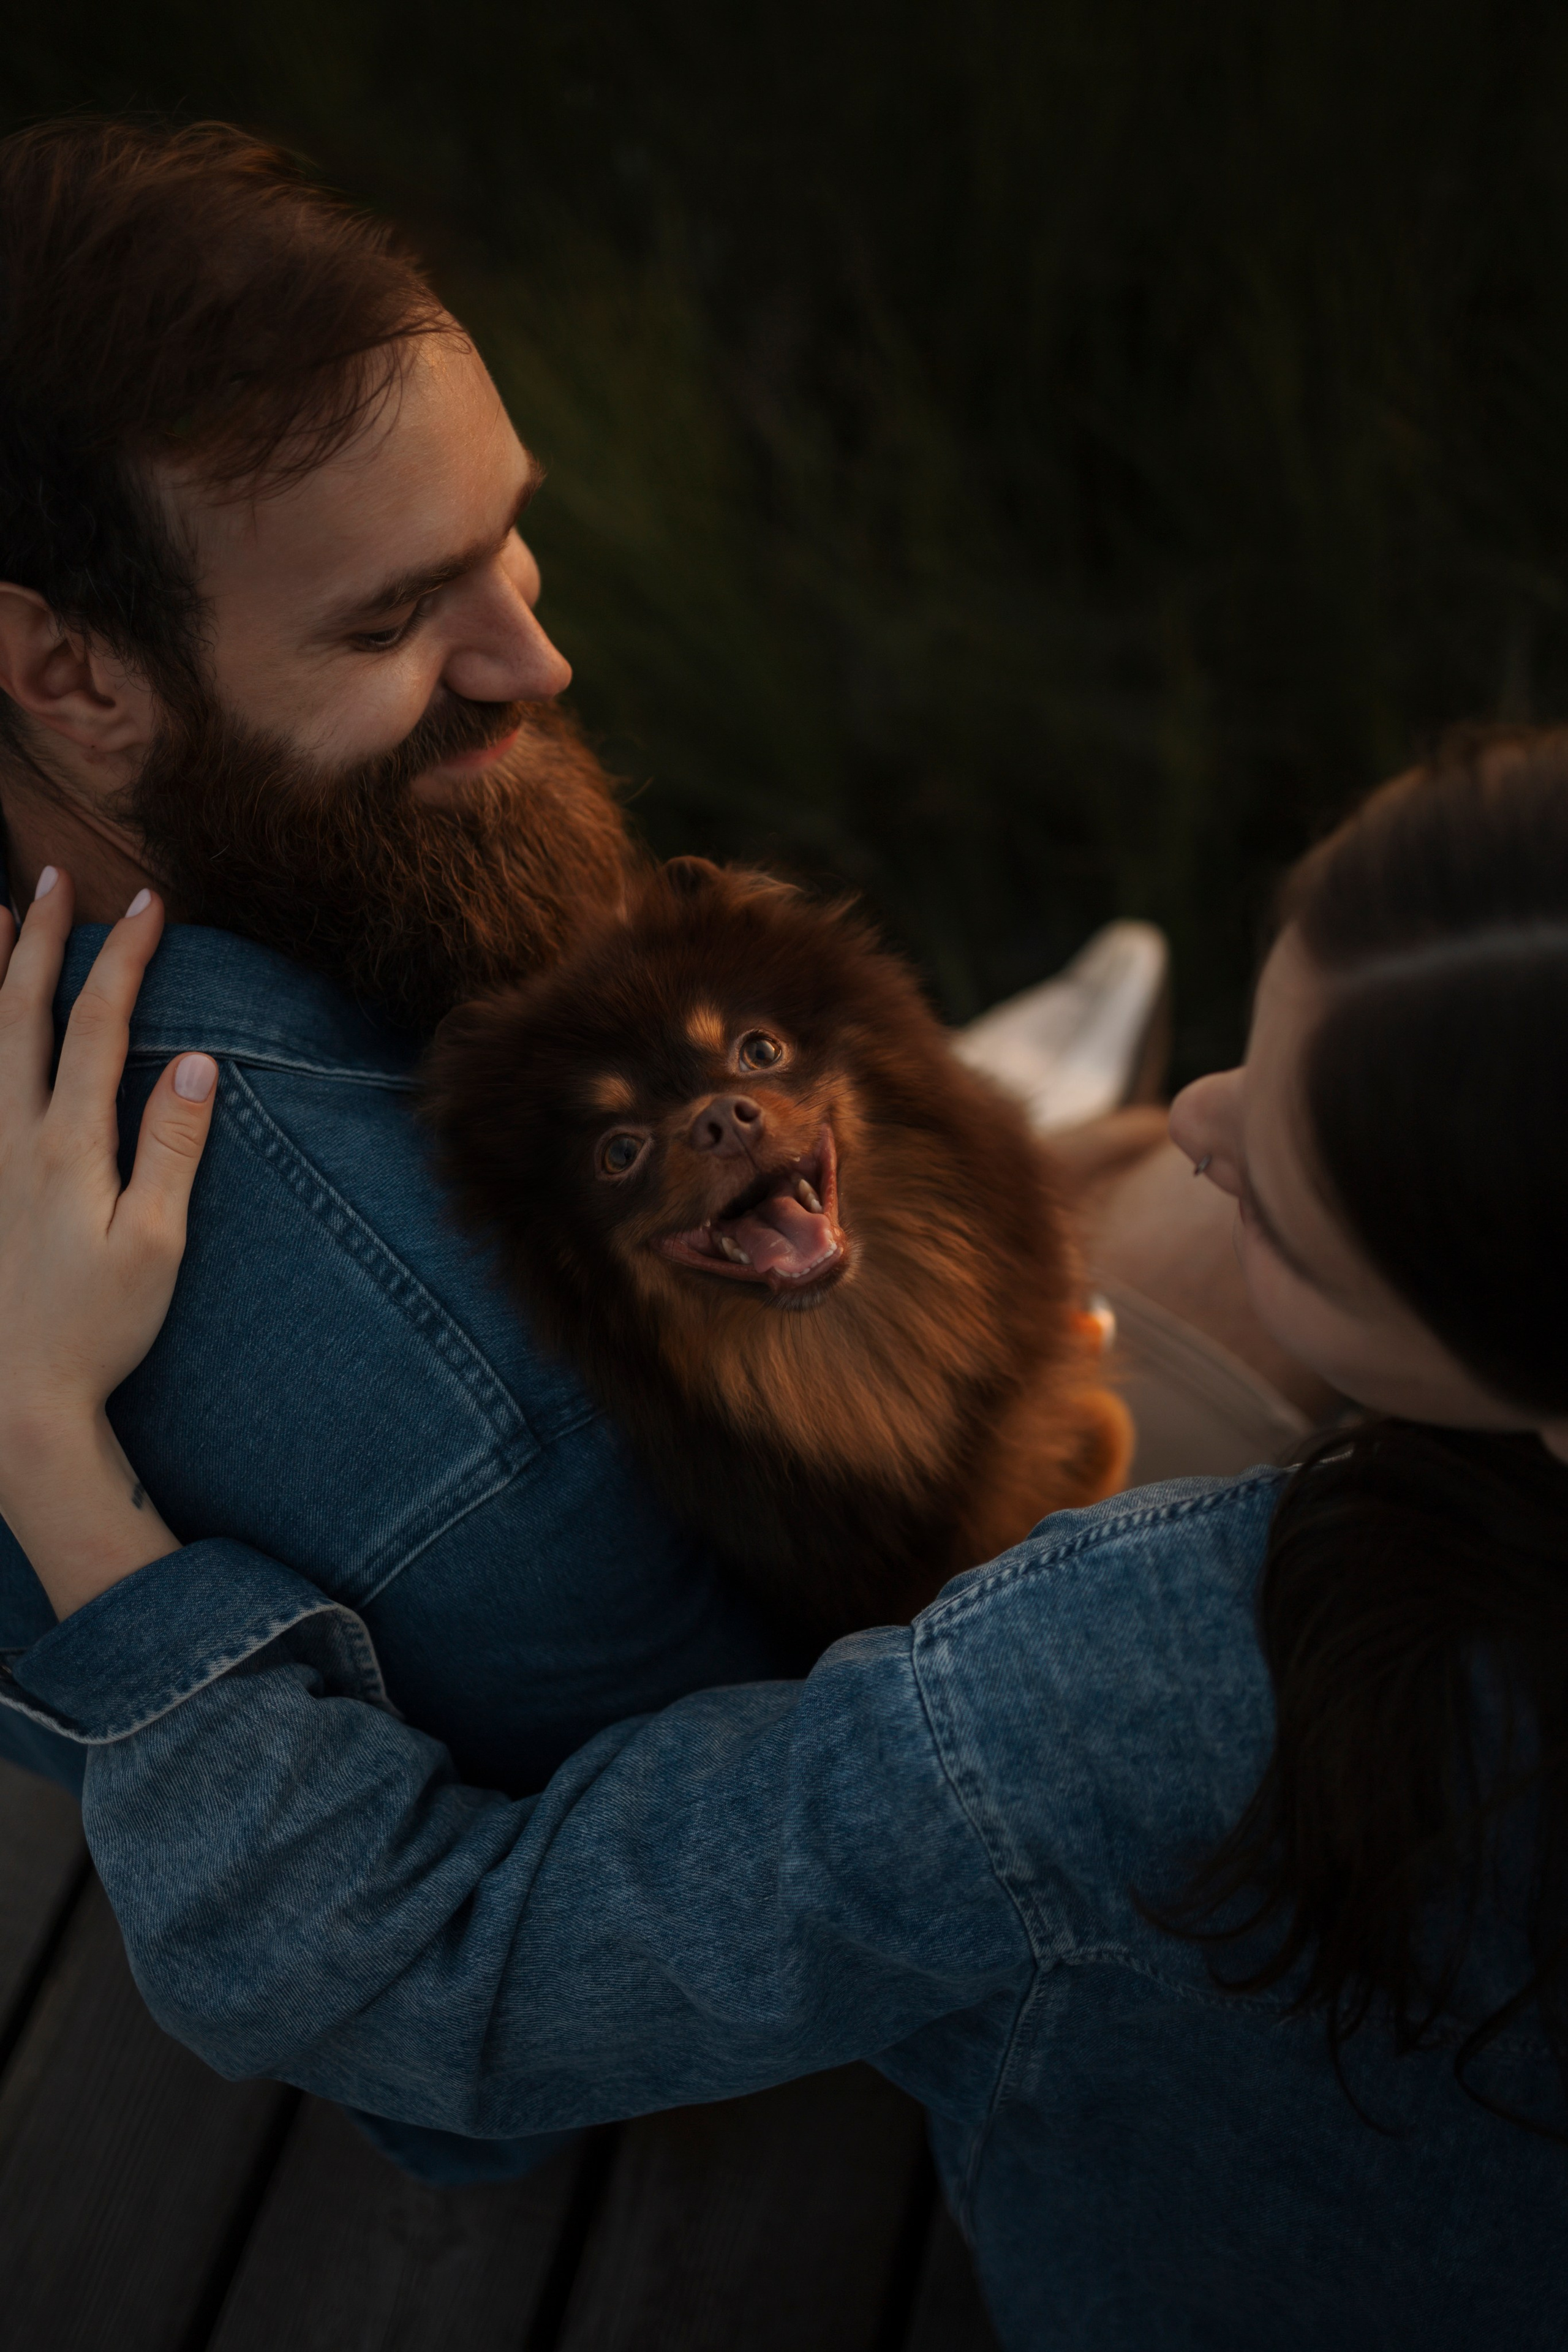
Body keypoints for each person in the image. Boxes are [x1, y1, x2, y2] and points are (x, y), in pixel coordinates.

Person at [0, 733, 1564, 2349]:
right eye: (1260, 1041)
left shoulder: (1100, 1700)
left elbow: (419, 1973)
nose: (1211, 1110)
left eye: (1302, 1192)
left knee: (1149, 1226)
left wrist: (44, 1428)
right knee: (1134, 1217)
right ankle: (1047, 1143)